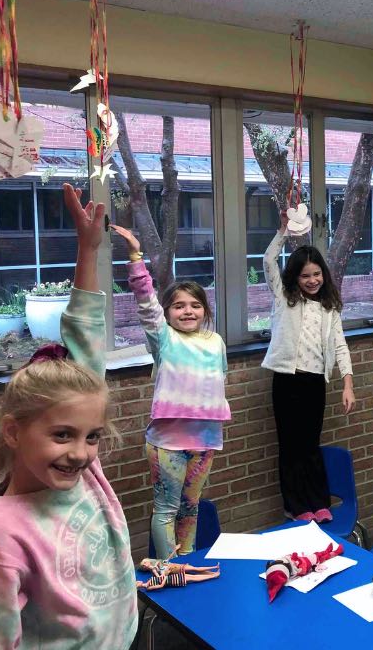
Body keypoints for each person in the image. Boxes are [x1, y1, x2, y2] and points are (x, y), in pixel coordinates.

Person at [0, 184, 137, 648]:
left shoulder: (82, 474)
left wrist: (88, 250)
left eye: (92, 437)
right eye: (62, 435)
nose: (81, 453)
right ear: (13, 432)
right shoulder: (1, 537)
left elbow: (88, 342)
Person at [112, 224, 230, 556]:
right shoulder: (164, 338)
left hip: (204, 442)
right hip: (167, 442)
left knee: (190, 507)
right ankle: (168, 571)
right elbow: (145, 300)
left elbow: (219, 381)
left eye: (195, 305)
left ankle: (187, 564)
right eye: (179, 306)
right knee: (166, 508)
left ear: (205, 311)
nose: (187, 311)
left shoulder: (215, 341)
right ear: (167, 314)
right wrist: (135, 255)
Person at [261, 213, 355, 523]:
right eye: (305, 276)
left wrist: (347, 385)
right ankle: (296, 507)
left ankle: (318, 502)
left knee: (311, 445)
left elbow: (340, 346)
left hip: (315, 383)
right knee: (291, 447)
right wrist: (283, 233)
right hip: (287, 381)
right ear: (295, 278)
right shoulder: (283, 297)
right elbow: (268, 259)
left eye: (317, 274)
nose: (313, 280)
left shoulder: (329, 307)